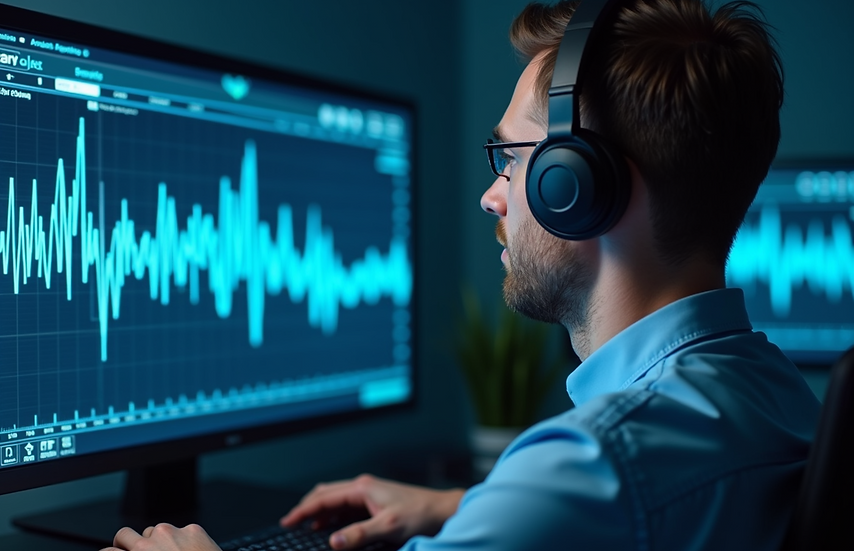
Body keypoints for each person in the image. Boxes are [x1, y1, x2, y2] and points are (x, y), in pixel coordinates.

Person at [102, 0, 821, 549]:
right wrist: (464, 506)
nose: (492, 193)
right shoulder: (770, 388)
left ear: (579, 186)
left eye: (510, 158)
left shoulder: (593, 464)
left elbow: (605, 488)